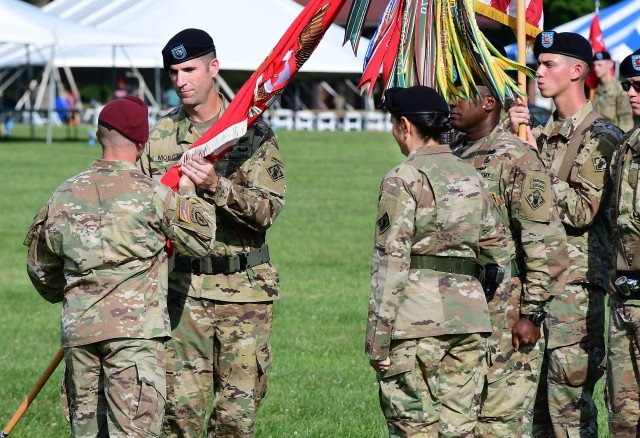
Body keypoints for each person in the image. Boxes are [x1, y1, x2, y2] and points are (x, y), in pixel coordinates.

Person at [24, 96, 217, 437]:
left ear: (99, 137)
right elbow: (201, 238)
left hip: (81, 337)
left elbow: (40, 269)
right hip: (135, 340)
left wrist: (74, 297)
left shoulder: (64, 195)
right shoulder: (153, 195)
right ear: (142, 144)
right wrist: (187, 191)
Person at [138, 28, 286, 437]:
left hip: (245, 294)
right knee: (177, 418)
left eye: (190, 69)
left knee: (235, 421)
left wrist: (215, 186)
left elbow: (268, 210)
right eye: (173, 72)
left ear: (213, 67)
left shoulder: (250, 132)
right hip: (182, 292)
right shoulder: (162, 135)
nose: (181, 80)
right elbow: (144, 210)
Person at [366, 85, 511, 436]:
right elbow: (499, 252)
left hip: (415, 322)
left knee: (414, 429)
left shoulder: (403, 178)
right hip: (470, 321)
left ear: (404, 125)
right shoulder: (473, 176)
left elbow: (392, 262)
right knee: (459, 429)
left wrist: (377, 339)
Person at [508, 31, 624, 437]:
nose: (538, 72)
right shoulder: (537, 134)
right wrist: (515, 141)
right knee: (533, 411)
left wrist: (530, 161)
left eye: (548, 64)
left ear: (577, 71)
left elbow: (579, 210)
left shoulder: (602, 138)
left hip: (575, 295)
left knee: (569, 411)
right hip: (535, 288)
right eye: (538, 64)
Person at [450, 41, 569, 435]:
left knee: (500, 421)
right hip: (460, 303)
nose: (453, 102)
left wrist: (531, 313)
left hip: (505, 306)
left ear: (488, 104)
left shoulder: (515, 157)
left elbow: (544, 242)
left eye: (462, 95)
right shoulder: (453, 152)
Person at [609, 47, 640, 436]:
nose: (632, 93)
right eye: (628, 86)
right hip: (625, 298)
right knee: (623, 418)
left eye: (639, 86)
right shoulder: (625, 146)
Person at [592, 50, 634, 132]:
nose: (596, 68)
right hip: (596, 135)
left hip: (613, 137)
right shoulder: (598, 88)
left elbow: (626, 121)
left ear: (610, 64)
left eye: (600, 65)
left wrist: (622, 142)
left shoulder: (620, 89)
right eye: (594, 65)